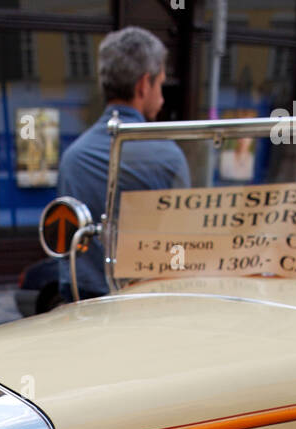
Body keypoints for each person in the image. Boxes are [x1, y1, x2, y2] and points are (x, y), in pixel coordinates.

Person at [56, 27, 190, 300]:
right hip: (142, 303)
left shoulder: (74, 156)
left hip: (81, 303)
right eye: (160, 85)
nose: (162, 96)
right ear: (143, 85)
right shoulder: (167, 155)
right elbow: (183, 244)